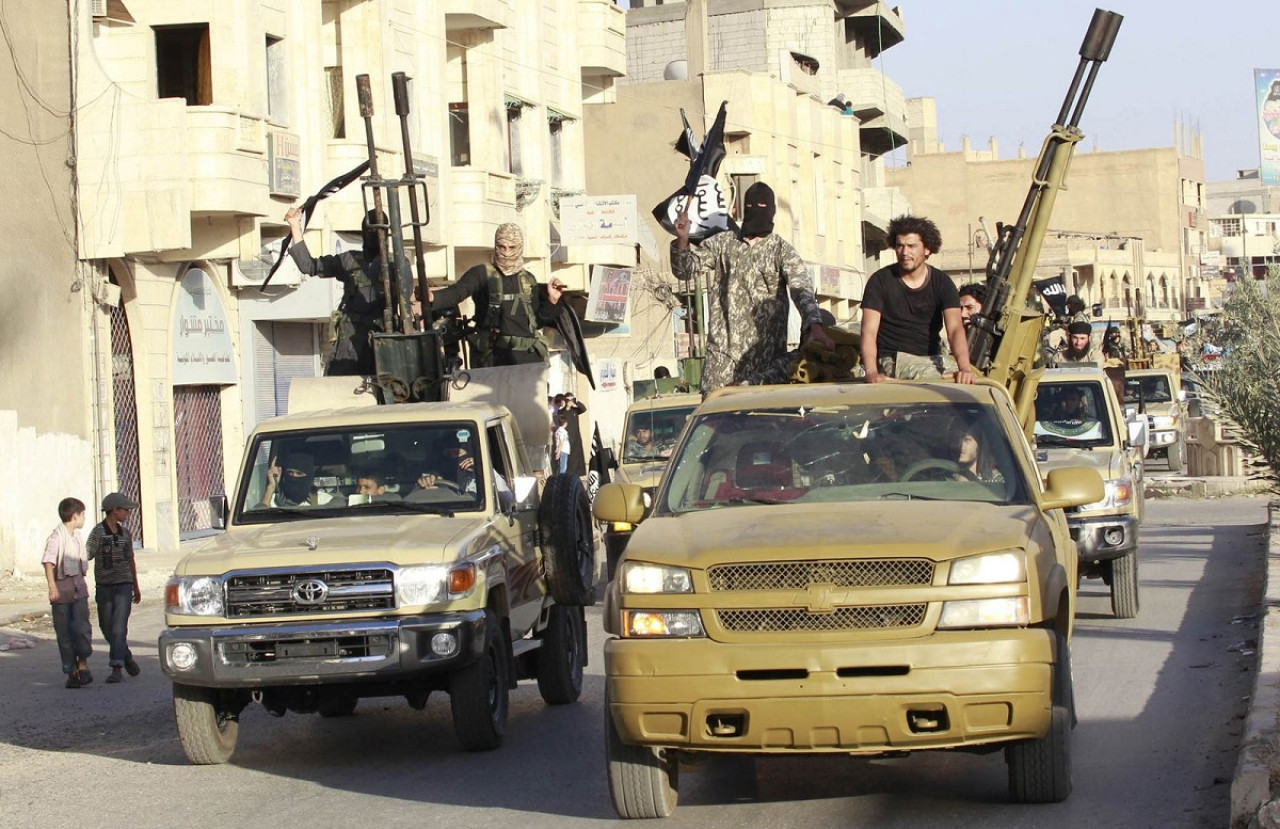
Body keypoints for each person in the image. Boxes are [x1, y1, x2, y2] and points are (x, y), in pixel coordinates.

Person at [671, 181, 834, 395]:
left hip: (765, 363)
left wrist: (814, 325)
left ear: (772, 212)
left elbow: (801, 288)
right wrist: (682, 241)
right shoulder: (722, 243)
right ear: (740, 209)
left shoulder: (781, 250)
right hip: (722, 360)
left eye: (762, 207)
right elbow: (685, 270)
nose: (756, 212)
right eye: (750, 206)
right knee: (715, 419)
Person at [428, 223, 567, 366]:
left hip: (528, 361)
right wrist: (432, 297)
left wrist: (552, 300)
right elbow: (457, 292)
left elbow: (537, 322)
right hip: (494, 360)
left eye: (512, 247)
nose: (506, 252)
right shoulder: (481, 273)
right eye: (502, 247)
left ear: (519, 247)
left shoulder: (528, 279)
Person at [860, 215, 976, 384]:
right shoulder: (880, 281)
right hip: (894, 358)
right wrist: (871, 372)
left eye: (912, 246)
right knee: (932, 382)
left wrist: (965, 368)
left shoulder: (942, 282)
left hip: (933, 357)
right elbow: (868, 331)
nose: (905, 252)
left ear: (927, 249)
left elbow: (955, 328)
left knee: (972, 382)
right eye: (900, 246)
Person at [285, 206, 388, 376]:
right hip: (349, 340)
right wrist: (295, 225)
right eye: (369, 229)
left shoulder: (396, 263)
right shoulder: (349, 260)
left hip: (382, 338)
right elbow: (309, 266)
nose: (374, 234)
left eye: (378, 229)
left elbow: (406, 298)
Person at [87, 492, 141, 684]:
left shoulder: (125, 534)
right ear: (114, 511)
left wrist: (135, 585)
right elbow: (87, 554)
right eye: (125, 510)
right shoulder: (98, 533)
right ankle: (125, 655)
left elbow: (130, 560)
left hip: (123, 585)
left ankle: (116, 667)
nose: (128, 513)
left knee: (119, 627)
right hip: (104, 587)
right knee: (106, 627)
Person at [43, 497, 93, 689]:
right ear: (74, 516)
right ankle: (71, 672)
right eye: (82, 515)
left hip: (79, 590)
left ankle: (82, 664)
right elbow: (49, 562)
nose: (84, 518)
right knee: (64, 633)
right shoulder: (56, 538)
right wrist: (52, 587)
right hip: (62, 592)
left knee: (81, 629)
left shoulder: (77, 537)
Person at [259, 452, 327, 508]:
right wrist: (271, 486)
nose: (293, 476)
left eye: (299, 473)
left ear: (309, 477)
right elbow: (260, 516)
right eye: (290, 472)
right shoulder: (274, 500)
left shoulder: (323, 500)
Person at [559, 393, 588, 477]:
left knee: (576, 459)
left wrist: (576, 401)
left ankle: (576, 476)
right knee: (567, 461)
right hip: (566, 440)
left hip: (576, 439)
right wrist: (567, 406)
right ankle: (568, 476)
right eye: (568, 400)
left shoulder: (574, 410)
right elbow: (560, 416)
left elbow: (583, 409)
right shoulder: (562, 412)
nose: (569, 401)